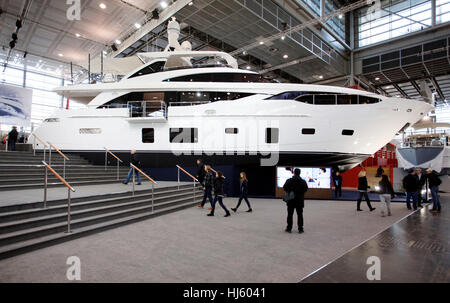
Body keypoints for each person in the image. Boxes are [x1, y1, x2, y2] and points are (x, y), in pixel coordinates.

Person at [283, 168, 308, 234]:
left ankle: (289, 228)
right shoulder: (303, 181)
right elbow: (305, 189)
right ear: (300, 173)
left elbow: (284, 187)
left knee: (290, 215)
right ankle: (300, 229)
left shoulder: (289, 180)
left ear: (294, 173)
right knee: (300, 215)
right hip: (299, 200)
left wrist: (290, 190)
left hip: (291, 200)